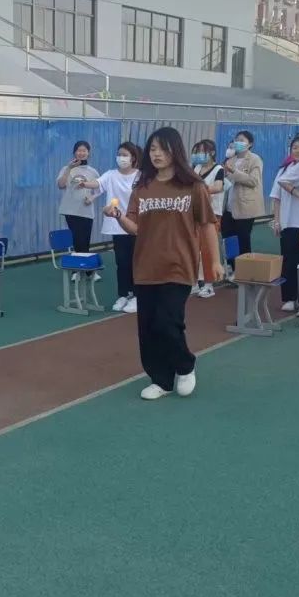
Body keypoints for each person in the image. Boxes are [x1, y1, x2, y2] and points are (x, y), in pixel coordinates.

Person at [104, 127, 222, 401]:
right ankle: (161, 380)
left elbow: (207, 225)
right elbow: (135, 228)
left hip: (179, 266)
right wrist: (118, 215)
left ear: (175, 151)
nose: (156, 154)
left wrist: (214, 261)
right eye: (153, 149)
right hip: (146, 266)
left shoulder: (193, 186)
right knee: (147, 328)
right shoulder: (143, 187)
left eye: (163, 149)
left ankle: (185, 364)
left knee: (168, 322)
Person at [79, 142, 141, 312]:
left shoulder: (140, 176)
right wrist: (84, 183)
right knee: (121, 262)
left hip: (135, 225)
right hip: (117, 225)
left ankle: (137, 296)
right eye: (119, 154)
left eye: (125, 155)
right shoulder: (111, 174)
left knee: (136, 262)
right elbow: (97, 183)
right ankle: (124, 294)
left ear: (133, 158)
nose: (121, 158)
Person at [270, 133, 299, 315]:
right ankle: (289, 298)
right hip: (288, 222)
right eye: (295, 147)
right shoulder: (284, 169)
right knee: (288, 261)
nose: (298, 151)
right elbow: (276, 197)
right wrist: (277, 220)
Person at [57, 140, 100, 280]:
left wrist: (92, 198)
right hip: (70, 210)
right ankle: (77, 271)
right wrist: (69, 168)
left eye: (84, 150)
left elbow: (99, 189)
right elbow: (61, 185)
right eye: (79, 150)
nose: (81, 153)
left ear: (88, 153)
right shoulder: (66, 168)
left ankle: (87, 270)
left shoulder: (93, 171)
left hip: (86, 211)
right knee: (76, 240)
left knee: (85, 240)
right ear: (74, 152)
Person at [221, 130, 264, 262]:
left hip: (245, 208)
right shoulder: (230, 159)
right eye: (236, 140)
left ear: (250, 144)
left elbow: (253, 181)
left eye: (241, 140)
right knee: (228, 240)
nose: (237, 143)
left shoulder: (255, 159)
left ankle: (245, 270)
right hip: (228, 207)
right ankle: (231, 268)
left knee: (242, 240)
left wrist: (234, 171)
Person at [190, 139, 224, 298]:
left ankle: (209, 284)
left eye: (202, 151)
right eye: (197, 152)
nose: (199, 155)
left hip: (212, 213)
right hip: (194, 213)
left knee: (208, 248)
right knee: (193, 248)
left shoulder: (218, 169)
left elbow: (218, 187)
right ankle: (194, 282)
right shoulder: (195, 168)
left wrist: (200, 190)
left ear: (212, 153)